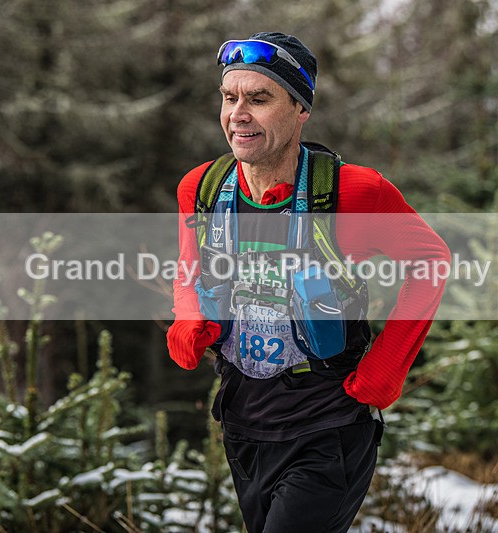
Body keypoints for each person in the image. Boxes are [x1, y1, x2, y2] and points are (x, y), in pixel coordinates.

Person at [166, 32, 450, 532]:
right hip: (243, 423)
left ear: (300, 109)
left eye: (259, 98)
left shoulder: (353, 192)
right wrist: (189, 318)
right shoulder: (204, 188)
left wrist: (388, 362)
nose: (238, 114)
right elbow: (191, 268)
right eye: (230, 98)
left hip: (328, 426)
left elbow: (430, 260)